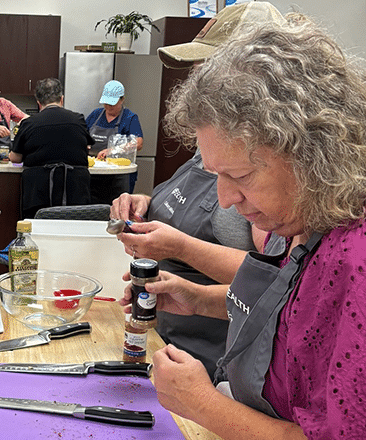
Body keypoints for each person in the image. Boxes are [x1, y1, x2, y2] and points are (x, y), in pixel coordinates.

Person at [124, 14, 366, 440]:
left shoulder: (354, 256)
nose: (225, 199)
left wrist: (203, 405)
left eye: (241, 176)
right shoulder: (300, 217)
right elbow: (292, 318)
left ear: (313, 154)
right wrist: (197, 298)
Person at [110, 1, 282, 379]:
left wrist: (180, 247)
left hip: (211, 367)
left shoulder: (271, 175)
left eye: (206, 69)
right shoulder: (214, 144)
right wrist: (147, 202)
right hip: (163, 342)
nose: (194, 80)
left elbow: (279, 282)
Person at [9, 77, 94, 218]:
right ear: (62, 99)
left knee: (36, 233)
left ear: (39, 103)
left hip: (38, 196)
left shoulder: (29, 123)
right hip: (75, 194)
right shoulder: (78, 119)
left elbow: (15, 157)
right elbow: (87, 147)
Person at [85, 80, 142, 201]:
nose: (108, 106)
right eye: (106, 103)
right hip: (94, 175)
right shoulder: (96, 115)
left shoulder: (130, 118)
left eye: (112, 103)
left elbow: (138, 142)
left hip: (119, 176)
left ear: (122, 100)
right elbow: (82, 134)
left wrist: (113, 150)